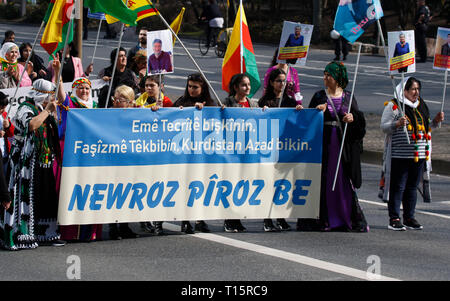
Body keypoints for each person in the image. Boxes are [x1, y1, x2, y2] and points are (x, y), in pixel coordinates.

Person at [297, 61, 368, 232]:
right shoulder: (320, 96)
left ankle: (344, 216)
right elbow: (308, 119)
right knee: (324, 178)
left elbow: (359, 122)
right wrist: (313, 111)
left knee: (343, 179)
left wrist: (352, 119)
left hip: (342, 144)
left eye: (328, 75)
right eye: (324, 74)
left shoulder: (348, 97)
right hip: (325, 143)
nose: (325, 78)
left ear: (337, 78)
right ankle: (324, 219)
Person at [0, 79, 66, 250]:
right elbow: (31, 125)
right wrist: (47, 111)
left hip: (42, 160)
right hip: (24, 162)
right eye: (47, 96)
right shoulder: (25, 108)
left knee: (45, 196)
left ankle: (46, 233)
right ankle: (20, 234)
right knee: (23, 198)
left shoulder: (41, 109)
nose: (49, 99)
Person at [381, 77, 444, 231]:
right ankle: (394, 218)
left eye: (418, 89)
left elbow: (427, 127)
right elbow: (384, 127)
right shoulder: (394, 106)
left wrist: (435, 121)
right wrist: (397, 124)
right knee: (398, 186)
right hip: (400, 155)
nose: (416, 93)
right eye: (413, 89)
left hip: (419, 154)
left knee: (412, 186)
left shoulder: (421, 106)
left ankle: (409, 217)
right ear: (405, 91)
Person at [52, 56, 102, 242]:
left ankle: (90, 231)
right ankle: (69, 232)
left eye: (87, 88)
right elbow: (60, 95)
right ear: (75, 89)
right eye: (80, 87)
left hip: (90, 153)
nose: (84, 90)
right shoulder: (70, 104)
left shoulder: (96, 107)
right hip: (70, 151)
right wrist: (58, 73)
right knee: (70, 189)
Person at [258, 68, 303, 232]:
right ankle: (267, 218)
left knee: (283, 184)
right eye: (278, 81)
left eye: (284, 81)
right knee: (269, 183)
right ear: (271, 83)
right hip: (270, 149)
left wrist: (299, 112)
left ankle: (281, 217)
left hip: (285, 148)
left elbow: (296, 123)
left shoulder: (290, 101)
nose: (282, 84)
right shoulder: (265, 101)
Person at [172, 73, 216, 234]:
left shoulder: (210, 104)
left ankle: (200, 220)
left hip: (203, 154)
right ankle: (185, 221)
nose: (191, 89)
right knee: (186, 188)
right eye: (189, 86)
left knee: (201, 187)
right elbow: (168, 119)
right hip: (184, 154)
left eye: (195, 87)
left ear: (202, 88)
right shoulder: (181, 102)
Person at [221, 73, 259, 233]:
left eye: (248, 85)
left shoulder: (254, 104)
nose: (247, 88)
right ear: (235, 87)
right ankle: (229, 219)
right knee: (231, 184)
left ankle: (237, 219)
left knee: (243, 185)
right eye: (244, 85)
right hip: (231, 151)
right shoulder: (227, 103)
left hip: (248, 151)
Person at [108, 85, 140, 240]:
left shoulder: (136, 114)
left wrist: (156, 111)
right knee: (114, 192)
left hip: (129, 160)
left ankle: (125, 225)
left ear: (130, 102)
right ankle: (113, 226)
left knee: (128, 192)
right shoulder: (107, 113)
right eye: (116, 98)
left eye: (121, 99)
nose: (116, 101)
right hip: (113, 160)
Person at [0, 92, 14, 175]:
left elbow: (11, 133)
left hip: (4, 155)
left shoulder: (4, 115)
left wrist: (8, 126)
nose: (4, 110)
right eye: (1, 108)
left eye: (4, 108)